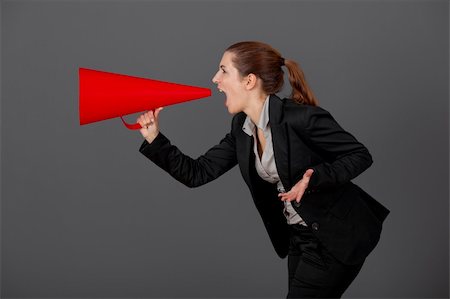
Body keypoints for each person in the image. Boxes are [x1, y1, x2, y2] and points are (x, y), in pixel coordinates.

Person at [136, 41, 389, 298]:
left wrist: (314, 179)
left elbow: (359, 154)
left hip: (336, 237)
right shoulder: (242, 129)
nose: (215, 79)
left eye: (223, 70)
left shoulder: (300, 118)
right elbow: (197, 172)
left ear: (249, 81)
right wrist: (155, 139)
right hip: (299, 238)